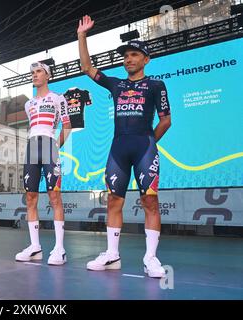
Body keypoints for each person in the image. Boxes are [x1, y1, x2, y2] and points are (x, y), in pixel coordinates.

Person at [77, 15, 172, 278]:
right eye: (125, 56)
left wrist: (149, 141)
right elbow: (87, 68)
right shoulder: (116, 84)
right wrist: (82, 35)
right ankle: (112, 255)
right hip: (117, 149)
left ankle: (150, 258)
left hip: (144, 148)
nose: (128, 59)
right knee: (113, 201)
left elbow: (166, 120)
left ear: (145, 59)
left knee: (150, 202)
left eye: (133, 54)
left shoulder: (156, 85)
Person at [14, 62, 72, 265]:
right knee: (30, 197)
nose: (35, 75)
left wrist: (56, 145)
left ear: (47, 75)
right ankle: (35, 246)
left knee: (54, 195)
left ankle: (59, 248)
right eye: (32, 72)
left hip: (49, 146)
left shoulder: (58, 98)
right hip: (32, 147)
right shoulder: (28, 104)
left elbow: (67, 125)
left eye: (39, 71)